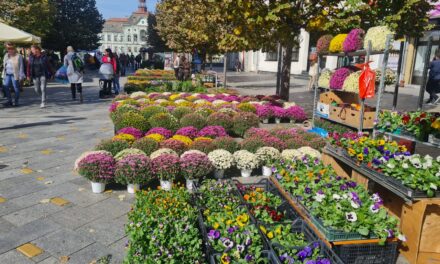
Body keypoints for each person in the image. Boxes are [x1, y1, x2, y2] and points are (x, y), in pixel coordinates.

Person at [2, 43, 25, 107]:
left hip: (15, 74)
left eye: (11, 48)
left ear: (14, 49)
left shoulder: (18, 56)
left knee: (16, 88)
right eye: (8, 49)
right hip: (7, 74)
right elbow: (4, 65)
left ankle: (16, 101)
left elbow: (21, 66)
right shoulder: (6, 55)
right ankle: (9, 101)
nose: (10, 50)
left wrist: (21, 75)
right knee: (5, 86)